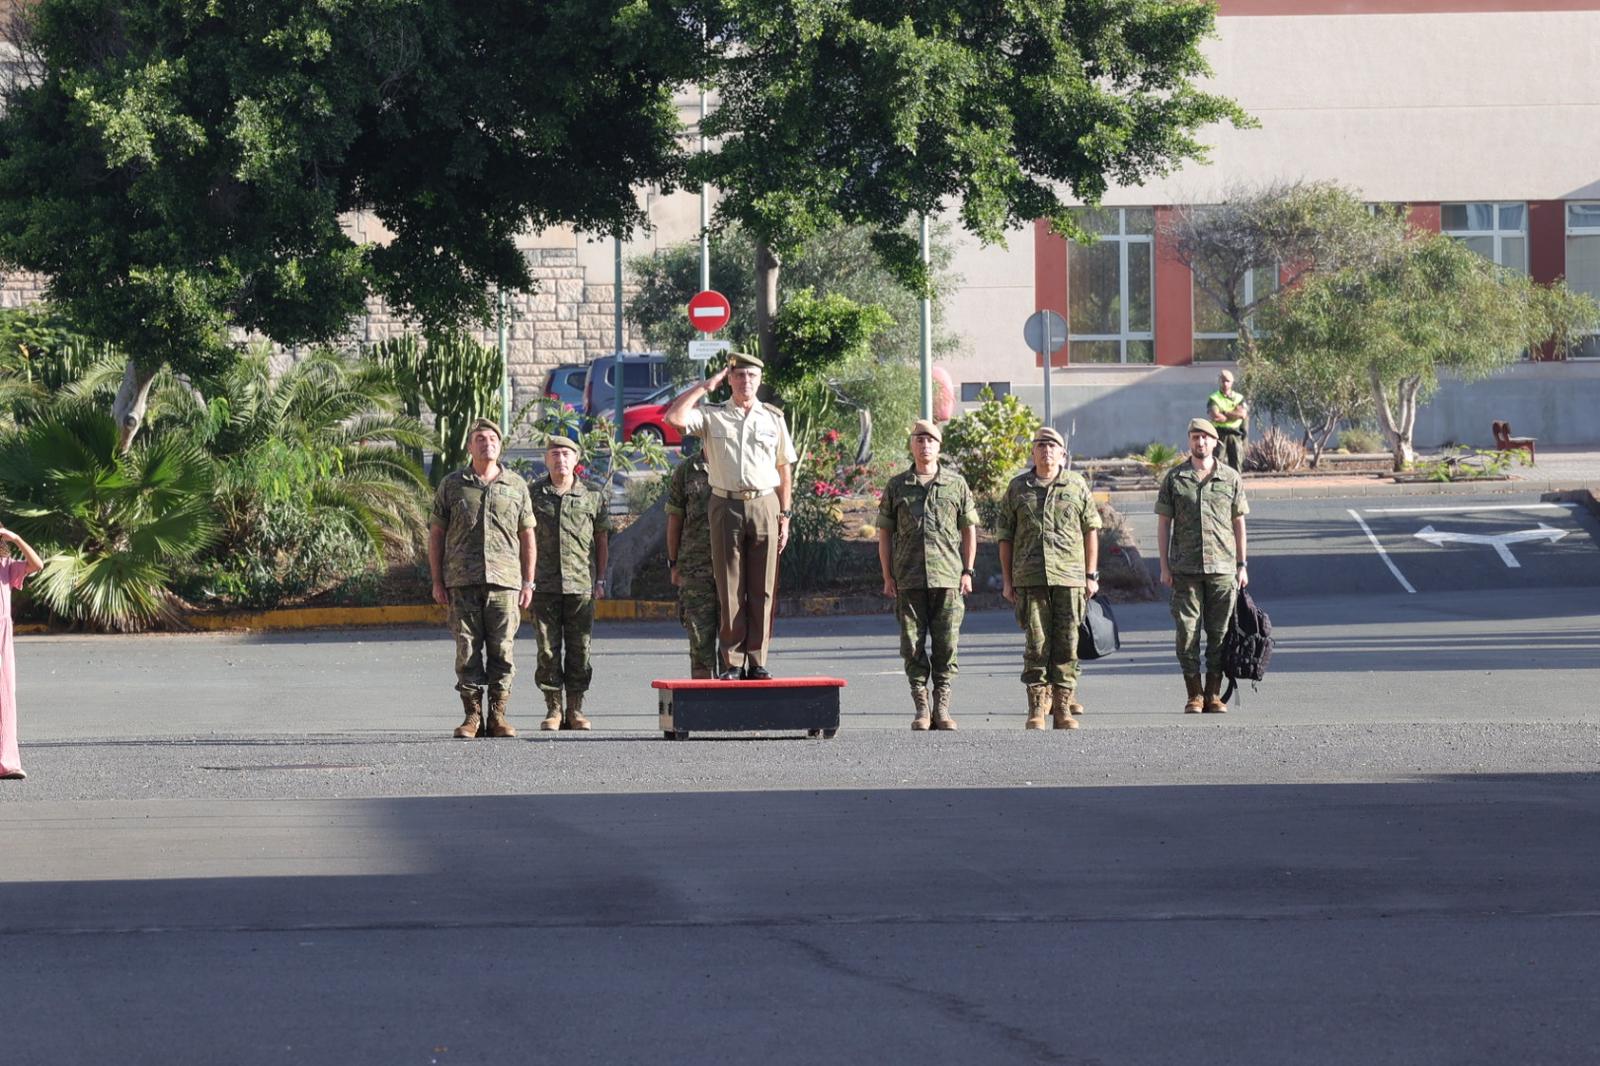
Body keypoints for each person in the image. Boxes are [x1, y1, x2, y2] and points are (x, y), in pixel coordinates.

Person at [663, 352, 796, 680]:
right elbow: (674, 418)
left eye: (751, 376)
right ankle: (733, 663)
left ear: (759, 380)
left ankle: (757, 660)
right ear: (730, 379)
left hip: (764, 502)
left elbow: (784, 468)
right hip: (725, 504)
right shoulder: (713, 415)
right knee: (729, 587)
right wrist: (704, 387)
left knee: (763, 588)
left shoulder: (773, 418)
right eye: (739, 376)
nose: (745, 382)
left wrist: (785, 514)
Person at [430, 418, 537, 739]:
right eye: (479, 438)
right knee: (467, 650)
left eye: (492, 438)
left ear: (500, 446)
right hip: (462, 582)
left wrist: (528, 581)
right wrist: (437, 580)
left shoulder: (516, 485)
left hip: (505, 583)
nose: (486, 443)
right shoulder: (452, 484)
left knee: (502, 651)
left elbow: (527, 535)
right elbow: (437, 535)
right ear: (469, 446)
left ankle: (499, 716)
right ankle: (472, 716)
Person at [997, 427, 1102, 730]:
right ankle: (1035, 709)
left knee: (1068, 644)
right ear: (1033, 452)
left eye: (1052, 446)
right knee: (1036, 645)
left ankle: (1062, 708)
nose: (1046, 451)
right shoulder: (1018, 488)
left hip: (1070, 578)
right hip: (1030, 578)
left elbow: (1090, 530)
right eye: (1040, 445)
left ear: (1062, 454)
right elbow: (1005, 536)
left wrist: (1090, 575)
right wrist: (1007, 580)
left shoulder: (1076, 485)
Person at [877, 419, 978, 730]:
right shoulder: (897, 486)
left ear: (939, 447)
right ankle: (921, 706)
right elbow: (884, 533)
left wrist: (968, 570)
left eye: (930, 441)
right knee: (912, 645)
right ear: (912, 445)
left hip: (948, 577)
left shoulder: (956, 484)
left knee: (947, 645)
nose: (924, 446)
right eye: (919, 440)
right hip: (908, 578)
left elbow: (969, 529)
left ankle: (942, 706)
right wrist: (887, 575)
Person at [1156, 417, 1250, 714]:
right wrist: (1164, 566)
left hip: (1223, 568)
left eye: (1205, 438)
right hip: (1185, 569)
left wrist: (1242, 565)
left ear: (1214, 442)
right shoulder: (1174, 479)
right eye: (1195, 437)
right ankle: (1194, 694)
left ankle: (1213, 695)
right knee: (1187, 633)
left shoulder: (1231, 478)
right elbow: (1163, 525)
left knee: (1219, 633)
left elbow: (1239, 523)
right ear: (1189, 441)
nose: (1200, 442)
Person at [530, 435, 611, 730]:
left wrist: (600, 578)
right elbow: (522, 538)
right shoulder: (533, 494)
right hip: (544, 585)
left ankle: (575, 709)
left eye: (566, 454)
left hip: (580, 586)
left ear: (576, 460)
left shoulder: (592, 495)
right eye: (555, 454)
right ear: (546, 459)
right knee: (548, 650)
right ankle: (553, 709)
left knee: (580, 649)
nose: (560, 459)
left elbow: (601, 540)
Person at [665, 433, 718, 679]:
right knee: (700, 643)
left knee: (733, 647)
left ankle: (732, 707)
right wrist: (673, 563)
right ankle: (705, 707)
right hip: (695, 568)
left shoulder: (737, 467)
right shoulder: (687, 470)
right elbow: (675, 519)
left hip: (733, 567)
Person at [0, 521, 44, 780]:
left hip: (2, 635)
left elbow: (37, 565)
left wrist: (15, 538)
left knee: (4, 698)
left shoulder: (6, 566)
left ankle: (6, 762)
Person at [1207, 369, 1250, 471]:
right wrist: (1233, 413)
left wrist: (1224, 412)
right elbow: (1215, 416)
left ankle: (1236, 485)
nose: (1225, 384)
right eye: (1223, 381)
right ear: (1219, 382)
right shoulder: (1214, 398)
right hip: (1219, 434)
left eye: (1228, 381)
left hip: (1235, 434)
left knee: (1236, 464)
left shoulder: (1239, 398)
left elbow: (1242, 414)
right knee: (1217, 463)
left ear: (1232, 382)